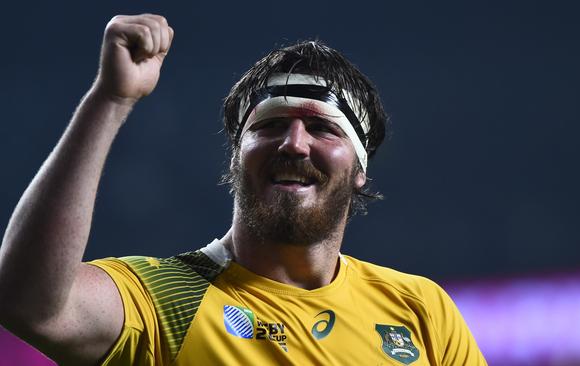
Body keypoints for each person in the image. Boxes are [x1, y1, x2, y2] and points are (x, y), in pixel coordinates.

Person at [0, 14, 487, 365]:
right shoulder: (163, 300)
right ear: (237, 156)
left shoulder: (420, 309)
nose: (294, 143)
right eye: (270, 125)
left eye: (323, 129)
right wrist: (110, 98)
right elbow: (29, 304)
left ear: (359, 168)